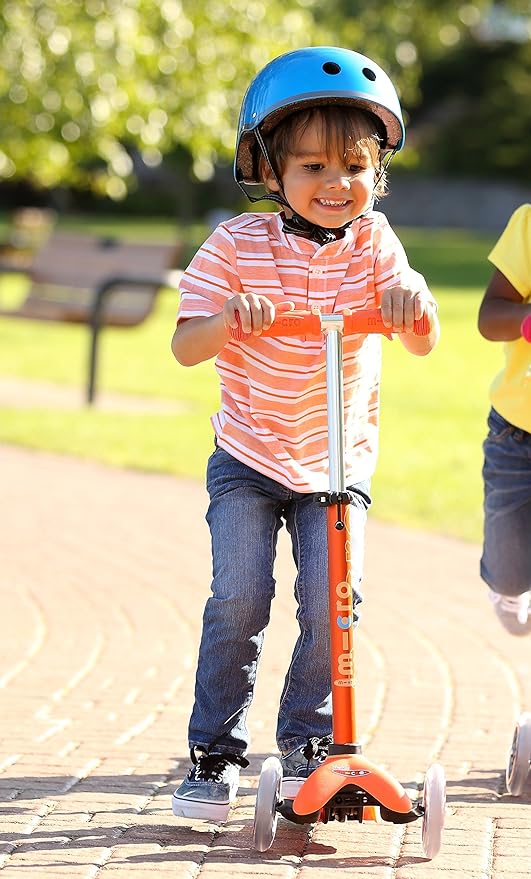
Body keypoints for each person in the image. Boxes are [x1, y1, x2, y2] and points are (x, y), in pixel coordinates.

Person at [170, 46, 440, 822]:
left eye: (353, 166)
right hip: (250, 460)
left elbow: (421, 338)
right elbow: (186, 345)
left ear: (376, 172)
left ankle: (307, 746)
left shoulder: (374, 244)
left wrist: (409, 305)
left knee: (333, 607)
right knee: (240, 595)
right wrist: (228, 320)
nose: (335, 184)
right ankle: (213, 752)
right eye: (314, 166)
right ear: (266, 167)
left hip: (336, 460)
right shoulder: (234, 246)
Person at [478, 204, 531, 636]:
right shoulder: (529, 223)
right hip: (519, 434)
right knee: (511, 574)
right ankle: (507, 586)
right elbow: (491, 316)